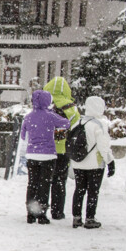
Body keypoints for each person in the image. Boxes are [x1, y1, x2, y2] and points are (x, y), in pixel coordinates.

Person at [20, 90, 69, 224]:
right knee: (44, 185)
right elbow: (66, 123)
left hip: (32, 154)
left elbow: (23, 135)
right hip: (48, 155)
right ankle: (41, 215)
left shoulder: (28, 117)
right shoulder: (50, 116)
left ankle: (30, 213)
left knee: (32, 184)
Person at [70, 96, 117, 229]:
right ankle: (90, 218)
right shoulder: (99, 124)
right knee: (92, 191)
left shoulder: (77, 122)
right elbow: (103, 146)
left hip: (78, 162)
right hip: (95, 164)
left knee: (79, 190)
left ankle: (76, 218)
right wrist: (110, 162)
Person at [44, 77, 80, 219]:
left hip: (46, 148)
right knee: (59, 181)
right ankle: (57, 211)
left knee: (45, 180)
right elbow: (76, 127)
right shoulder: (71, 108)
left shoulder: (46, 105)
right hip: (63, 149)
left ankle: (40, 208)